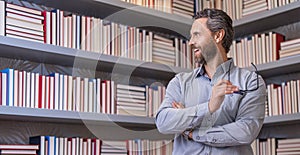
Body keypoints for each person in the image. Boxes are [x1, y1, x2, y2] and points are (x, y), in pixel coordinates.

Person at [155, 8, 266, 155]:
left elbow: (245, 131)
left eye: (197, 35)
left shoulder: (250, 81)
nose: (190, 42)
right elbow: (164, 122)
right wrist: (208, 107)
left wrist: (192, 133)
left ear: (218, 35)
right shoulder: (180, 82)